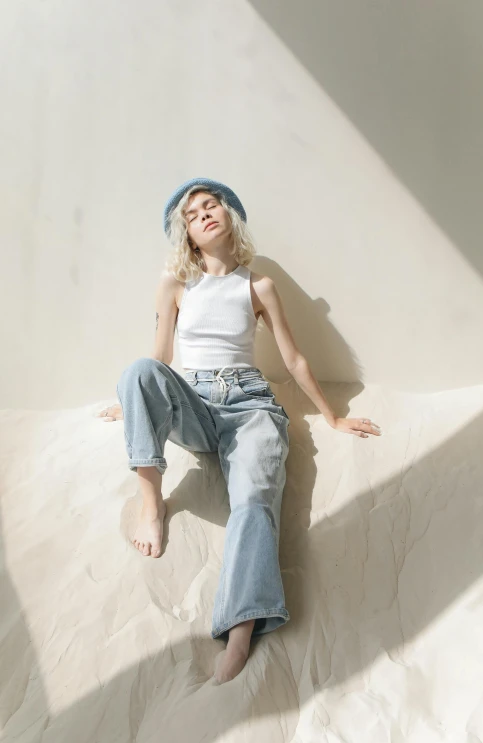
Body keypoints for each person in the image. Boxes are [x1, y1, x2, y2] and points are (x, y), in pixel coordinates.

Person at [97, 176, 381, 683]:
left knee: (254, 499)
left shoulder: (257, 285)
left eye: (212, 206)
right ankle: (151, 506)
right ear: (187, 235)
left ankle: (242, 627)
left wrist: (332, 417)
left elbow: (292, 357)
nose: (204, 214)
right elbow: (160, 358)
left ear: (229, 218)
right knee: (137, 371)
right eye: (192, 214)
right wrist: (132, 400)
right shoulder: (176, 285)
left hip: (251, 406)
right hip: (196, 401)